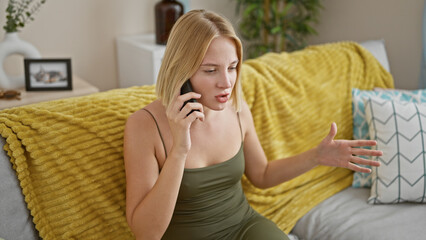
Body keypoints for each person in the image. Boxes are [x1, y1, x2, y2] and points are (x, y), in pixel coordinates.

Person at [123, 9, 382, 240]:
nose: (227, 82)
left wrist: (317, 156)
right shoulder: (143, 127)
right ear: (181, 70)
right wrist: (179, 150)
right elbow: (147, 233)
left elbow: (262, 174)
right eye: (210, 70)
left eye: (233, 67)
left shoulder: (236, 108)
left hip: (244, 226)